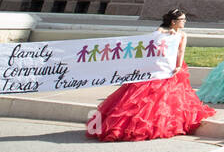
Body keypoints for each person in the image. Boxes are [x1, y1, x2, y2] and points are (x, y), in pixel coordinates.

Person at [87, 9, 215, 141]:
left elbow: (181, 51)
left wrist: (178, 66)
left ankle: (166, 124)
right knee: (145, 97)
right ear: (173, 22)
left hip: (173, 67)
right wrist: (166, 32)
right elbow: (154, 36)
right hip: (157, 67)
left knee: (172, 98)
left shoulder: (182, 34)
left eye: (184, 20)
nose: (185, 22)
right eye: (182, 20)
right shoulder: (161, 30)